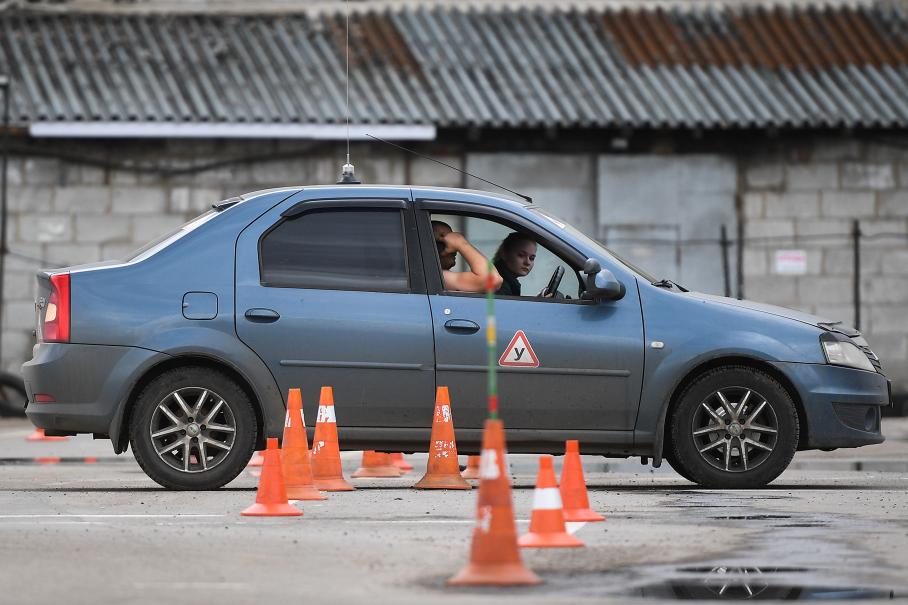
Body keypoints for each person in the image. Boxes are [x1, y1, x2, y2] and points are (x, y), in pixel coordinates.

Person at [432, 221, 502, 292]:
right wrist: (460, 242)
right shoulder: (432, 277)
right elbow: (492, 280)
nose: (454, 248)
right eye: (445, 239)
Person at [493, 232, 537, 296]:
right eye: (521, 255)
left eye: (531, 258)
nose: (527, 262)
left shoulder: (506, 281)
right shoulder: (499, 284)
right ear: (504, 254)